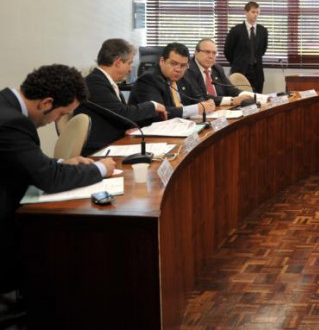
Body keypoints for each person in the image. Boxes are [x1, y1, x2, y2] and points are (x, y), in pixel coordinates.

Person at [0, 65, 115, 294]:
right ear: (46, 103)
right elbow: (49, 179)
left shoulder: (6, 105)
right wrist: (101, 168)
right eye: (61, 114)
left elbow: (24, 162)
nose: (57, 120)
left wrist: (62, 163)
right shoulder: (12, 121)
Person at [76, 39, 168, 156]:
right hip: (98, 152)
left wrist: (129, 127)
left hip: (113, 144)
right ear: (118, 62)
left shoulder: (105, 81)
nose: (130, 69)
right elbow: (123, 113)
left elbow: (117, 115)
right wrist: (153, 105)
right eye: (129, 63)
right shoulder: (95, 83)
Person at [129, 42, 215, 121]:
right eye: (173, 64)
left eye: (183, 65)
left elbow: (196, 97)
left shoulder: (183, 76)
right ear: (162, 61)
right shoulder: (148, 80)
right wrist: (195, 109)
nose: (178, 69)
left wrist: (206, 104)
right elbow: (158, 114)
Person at [186, 38, 249, 108]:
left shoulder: (217, 68)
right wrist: (231, 100)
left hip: (221, 109)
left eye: (214, 53)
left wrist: (250, 95)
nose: (211, 56)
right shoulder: (188, 70)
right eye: (207, 52)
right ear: (196, 53)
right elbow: (201, 97)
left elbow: (231, 90)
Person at [224, 1, 268, 93]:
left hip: (257, 72)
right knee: (241, 97)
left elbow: (262, 50)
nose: (255, 15)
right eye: (253, 12)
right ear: (246, 12)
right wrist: (237, 62)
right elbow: (227, 51)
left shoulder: (263, 31)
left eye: (257, 12)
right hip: (240, 70)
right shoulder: (235, 30)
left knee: (257, 98)